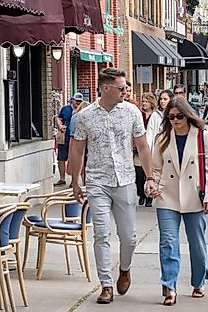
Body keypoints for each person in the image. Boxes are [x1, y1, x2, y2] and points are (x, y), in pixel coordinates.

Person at [70, 68, 156, 304]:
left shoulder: (131, 112)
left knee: (129, 237)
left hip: (126, 179)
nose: (126, 92)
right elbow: (77, 150)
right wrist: (75, 180)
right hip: (97, 181)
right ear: (106, 88)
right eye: (122, 88)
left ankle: (125, 269)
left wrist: (149, 177)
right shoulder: (85, 116)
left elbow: (143, 146)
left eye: (126, 87)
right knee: (102, 233)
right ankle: (106, 285)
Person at [149, 97, 208, 306]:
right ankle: (169, 286)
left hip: (194, 195)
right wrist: (152, 185)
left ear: (188, 116)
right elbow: (156, 168)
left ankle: (198, 282)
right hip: (167, 195)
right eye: (171, 117)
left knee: (196, 242)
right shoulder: (162, 138)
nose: (176, 120)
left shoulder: (202, 137)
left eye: (179, 116)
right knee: (168, 242)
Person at [55, 93, 83, 186]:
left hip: (76, 139)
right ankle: (62, 178)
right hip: (64, 136)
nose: (78, 103)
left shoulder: (83, 110)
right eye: (76, 101)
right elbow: (58, 118)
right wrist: (60, 125)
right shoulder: (65, 109)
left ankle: (73, 181)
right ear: (72, 100)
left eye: (80, 102)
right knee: (61, 158)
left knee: (74, 160)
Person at [136, 92, 158, 206]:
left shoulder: (155, 116)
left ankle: (149, 198)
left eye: (146, 101)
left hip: (151, 148)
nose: (144, 103)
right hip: (139, 147)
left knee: (149, 173)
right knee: (139, 173)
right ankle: (141, 194)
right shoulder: (139, 114)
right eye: (143, 101)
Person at [66, 101, 91, 185]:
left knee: (74, 161)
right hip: (82, 140)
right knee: (83, 162)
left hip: (72, 140)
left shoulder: (74, 116)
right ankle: (84, 182)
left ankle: (74, 181)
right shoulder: (83, 117)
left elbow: (71, 129)